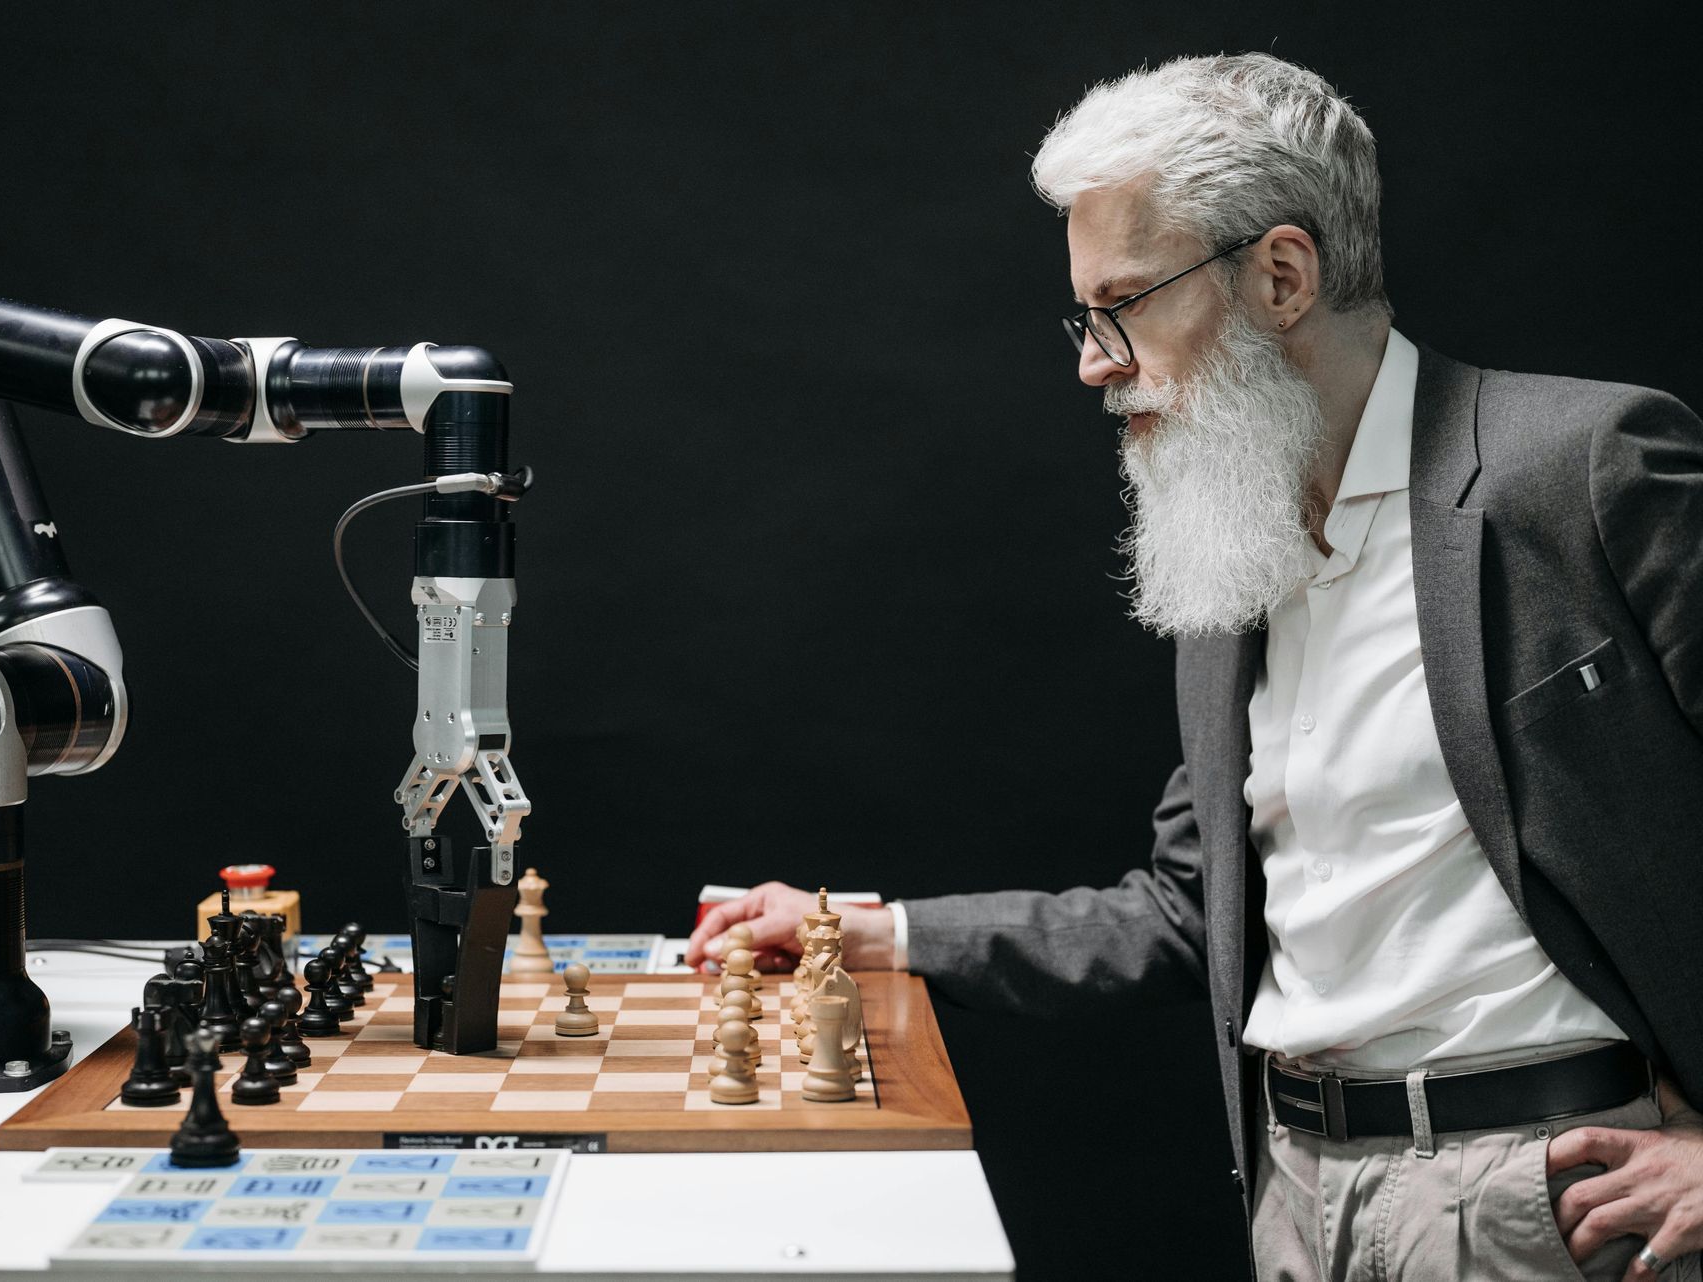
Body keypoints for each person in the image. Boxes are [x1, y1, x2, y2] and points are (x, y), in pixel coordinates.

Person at [687, 53, 1703, 1281]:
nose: (1092, 361)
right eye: (1086, 315)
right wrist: (872, 930)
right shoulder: (1230, 555)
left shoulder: (1586, 466)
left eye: (1124, 303)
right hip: (1297, 1198)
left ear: (1282, 275)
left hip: (1560, 1203)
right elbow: (1186, 911)